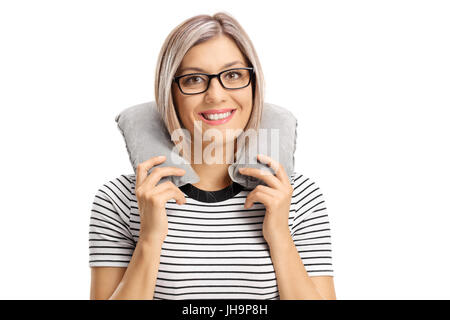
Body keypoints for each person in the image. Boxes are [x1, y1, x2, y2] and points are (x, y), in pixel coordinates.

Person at [89, 12, 336, 300]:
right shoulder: (118, 200)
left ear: (254, 85)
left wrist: (280, 235)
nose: (216, 95)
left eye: (233, 75)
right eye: (194, 79)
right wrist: (149, 239)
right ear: (170, 92)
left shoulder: (299, 196)